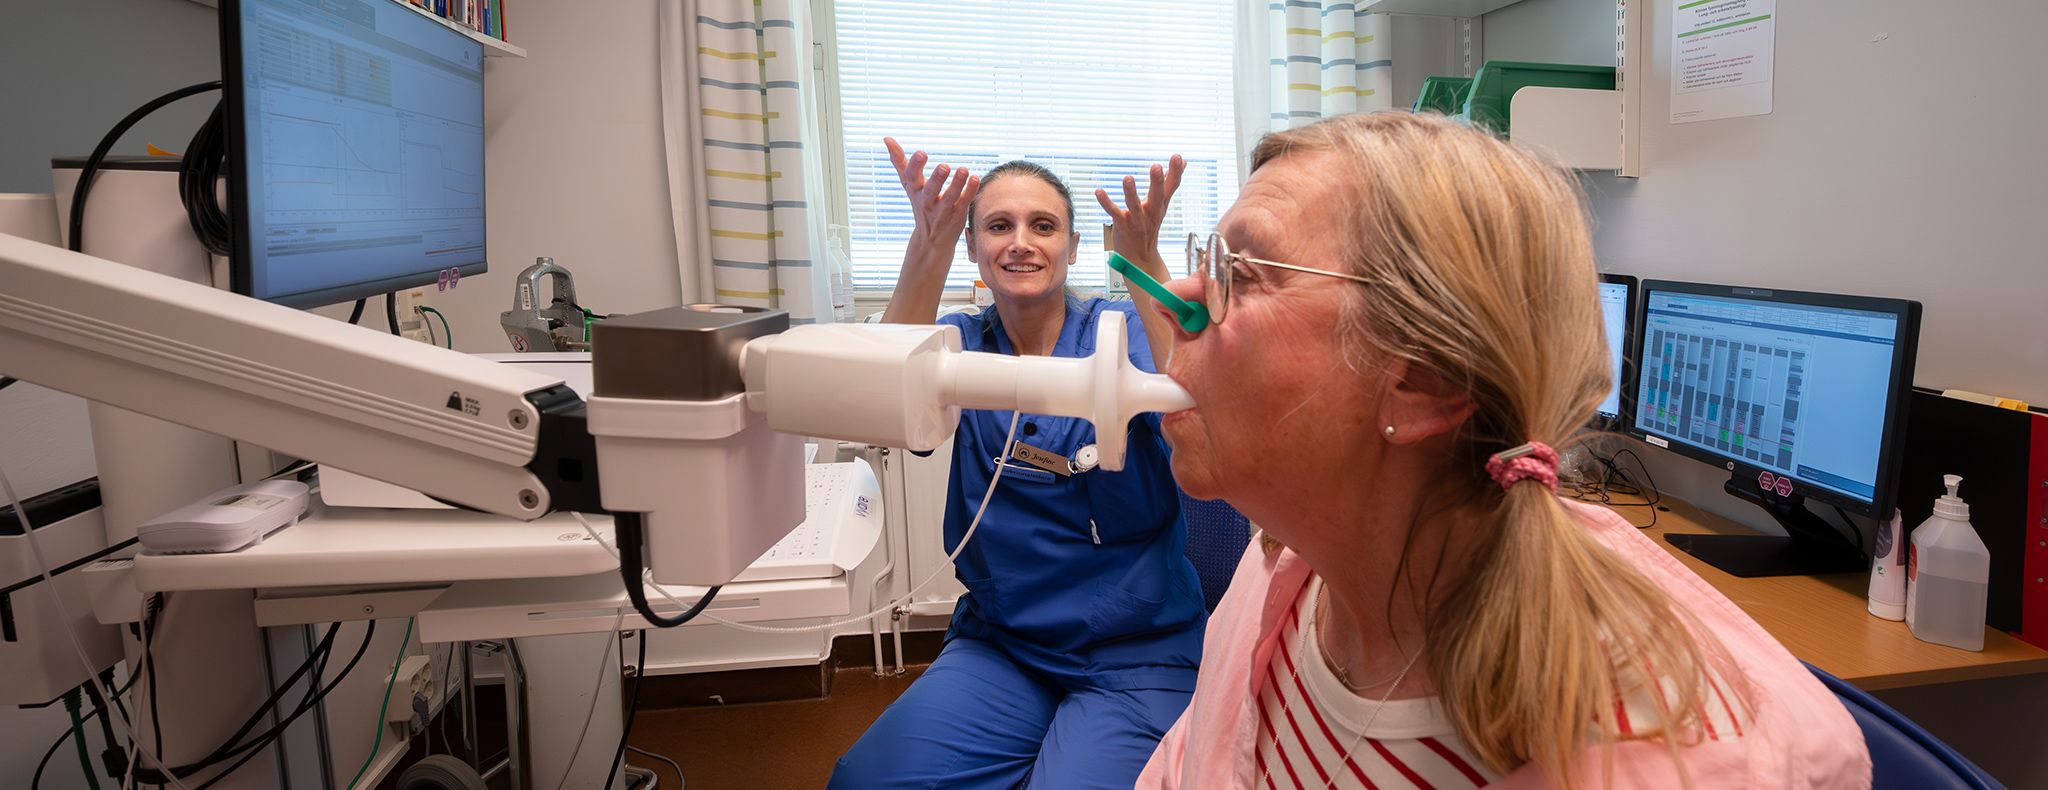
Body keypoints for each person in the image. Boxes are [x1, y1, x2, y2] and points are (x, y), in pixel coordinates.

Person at [1138, 113, 1871, 788]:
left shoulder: (1662, 761)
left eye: (1242, 272)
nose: (1176, 298)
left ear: (1423, 381)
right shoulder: (1285, 567)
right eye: (1210, 257)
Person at [827, 141, 1207, 790]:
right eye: (998, 226)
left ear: (1074, 246)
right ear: (975, 248)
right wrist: (929, 245)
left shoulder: (1121, 332)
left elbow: (1199, 404)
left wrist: (1143, 259)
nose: (1021, 242)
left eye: (1043, 225)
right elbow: (882, 405)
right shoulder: (960, 343)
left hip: (1137, 650)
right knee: (866, 781)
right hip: (1005, 645)